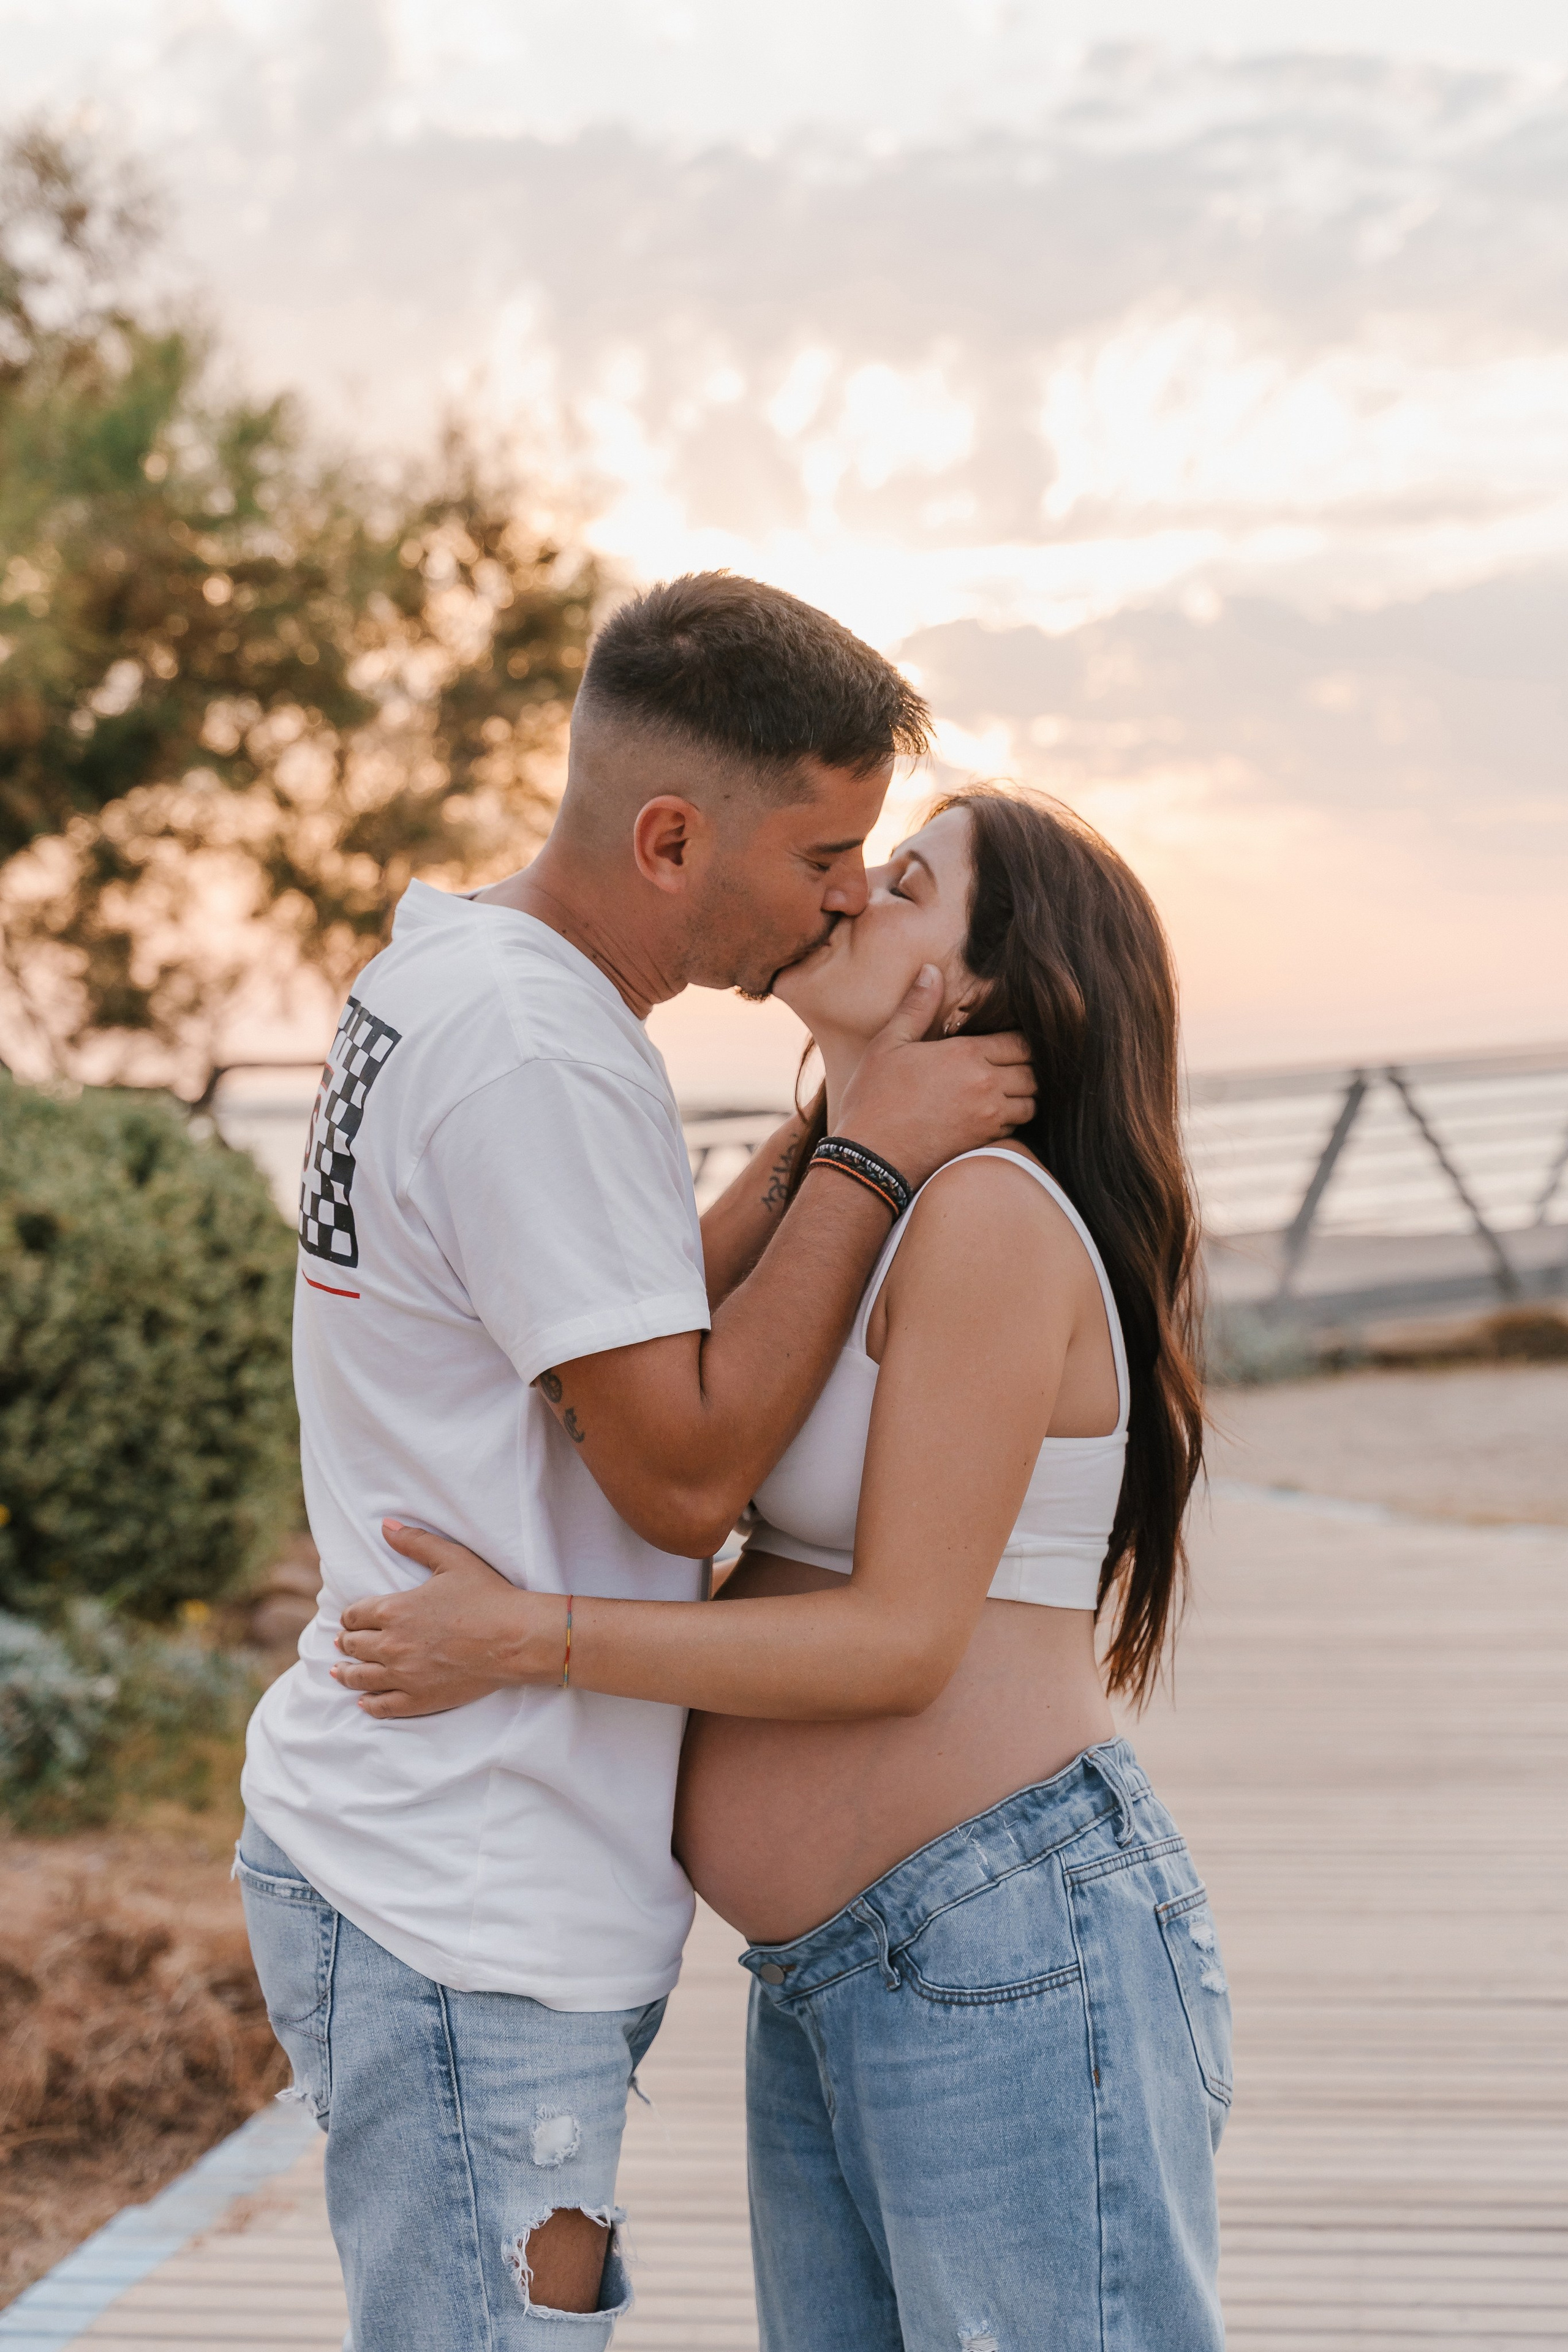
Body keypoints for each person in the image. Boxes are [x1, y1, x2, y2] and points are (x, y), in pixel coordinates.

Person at [236, 574, 1035, 2352]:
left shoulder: (456, 968)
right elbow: (674, 1477)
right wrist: (874, 1170)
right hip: (466, 1890)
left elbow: (614, 1299)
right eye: (826, 852)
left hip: (453, 1859)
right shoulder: (538, 1049)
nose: (846, 892)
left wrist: (828, 1126)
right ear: (672, 838)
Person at [336, 785, 1229, 2351]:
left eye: (898, 883)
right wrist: (841, 1122)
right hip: (849, 1962)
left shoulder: (986, 1219)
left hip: (1002, 1936)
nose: (841, 900)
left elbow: (896, 1645)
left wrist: (526, 1636)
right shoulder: (877, 1196)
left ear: (977, 986)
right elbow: (620, 1330)